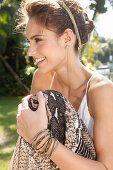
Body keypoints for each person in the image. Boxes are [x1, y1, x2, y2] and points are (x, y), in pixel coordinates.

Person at [9, 0, 113, 169]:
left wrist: (41, 139)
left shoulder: (101, 91)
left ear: (67, 38)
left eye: (38, 40)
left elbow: (107, 167)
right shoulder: (42, 78)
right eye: (29, 41)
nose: (30, 51)